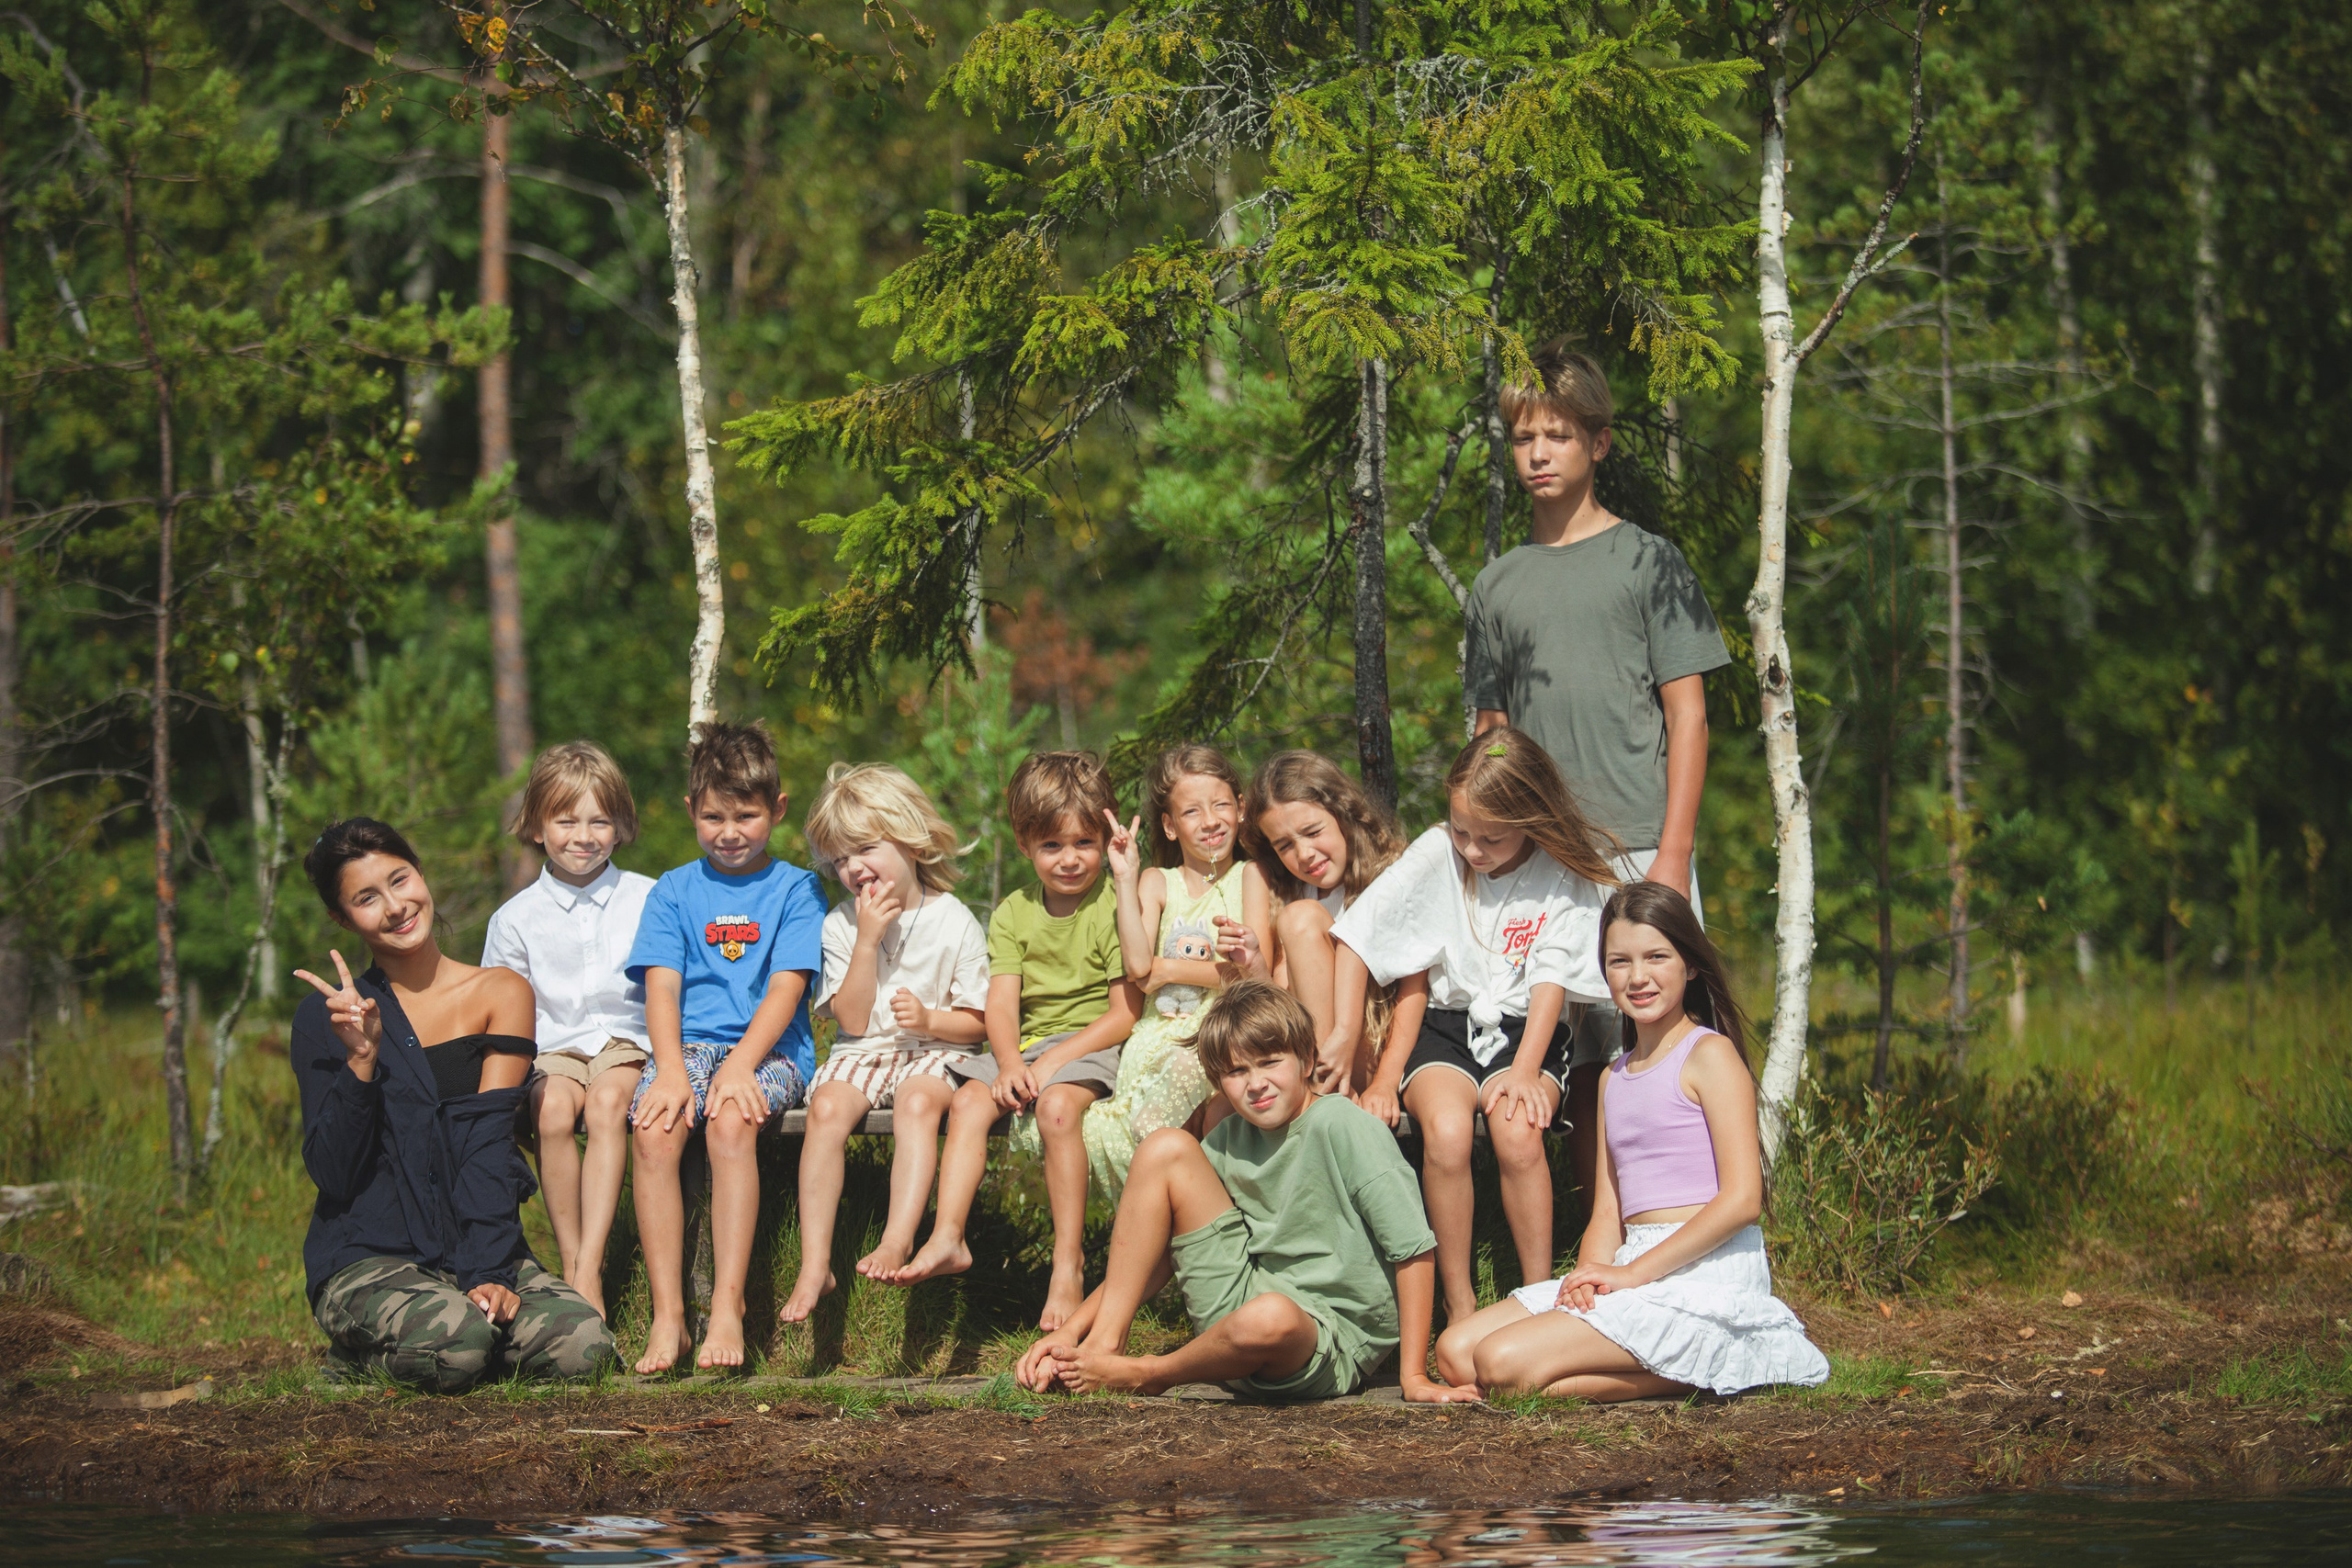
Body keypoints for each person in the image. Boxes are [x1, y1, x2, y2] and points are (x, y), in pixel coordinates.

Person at [1462, 341, 1732, 1193]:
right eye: (1523, 438)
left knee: (1653, 1043)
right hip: (1541, 860)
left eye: (1560, 436)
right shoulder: (1497, 585)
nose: (1539, 454)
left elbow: (1688, 715)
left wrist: (1674, 857)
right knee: (1567, 1053)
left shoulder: (1649, 561)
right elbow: (1491, 736)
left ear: (1599, 444)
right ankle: (1584, 1236)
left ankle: (1684, 1216)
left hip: (1642, 846)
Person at [1434, 883, 1829, 1400]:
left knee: (1499, 1365)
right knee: (1456, 1352)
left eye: (1657, 957)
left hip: (1702, 1273)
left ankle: (1725, 1357)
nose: (1638, 977)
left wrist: (1635, 1275)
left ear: (1690, 965)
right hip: (1631, 1264)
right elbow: (1608, 1212)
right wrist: (1587, 1282)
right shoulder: (1611, 1078)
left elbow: (1742, 1201)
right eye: (1619, 961)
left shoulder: (1709, 1055)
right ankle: (1671, 1366)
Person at [1015, 980, 1476, 1404]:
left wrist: (1413, 1375)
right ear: (1219, 1083)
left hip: (1324, 1339)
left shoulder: (1345, 1126)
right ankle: (1101, 1347)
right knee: (1165, 1147)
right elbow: (1155, 1252)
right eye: (1236, 1072)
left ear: (1307, 1061)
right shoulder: (1230, 1137)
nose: (1256, 1084)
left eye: (1270, 1063)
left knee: (1270, 1316)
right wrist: (1069, 1331)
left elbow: (1413, 1250)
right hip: (1238, 1308)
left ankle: (1150, 1373)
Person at [291, 818, 616, 1392]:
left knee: (583, 1347)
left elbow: (489, 1143)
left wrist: (490, 1270)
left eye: (400, 879)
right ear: (343, 919)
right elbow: (332, 1173)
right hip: (367, 1258)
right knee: (459, 1343)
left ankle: (463, 1332)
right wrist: (361, 1064)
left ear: (420, 873)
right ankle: (359, 1357)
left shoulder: (500, 993)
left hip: (477, 1245)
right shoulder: (327, 1019)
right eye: (367, 898)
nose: (395, 906)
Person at [1333, 728, 1616, 1327]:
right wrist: (1342, 1037)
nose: (1473, 848)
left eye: (1492, 837)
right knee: (1446, 1129)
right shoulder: (1440, 851)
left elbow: (1551, 979)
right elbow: (1358, 935)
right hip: (1445, 1027)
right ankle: (1459, 1300)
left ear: (1533, 819)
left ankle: (1538, 1296)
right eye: (1462, 830)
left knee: (1517, 1131)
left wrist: (1524, 1069)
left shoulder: (1562, 872)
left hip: (1527, 1031)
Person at [887, 750, 1142, 1330]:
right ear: (1026, 846)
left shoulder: (1112, 905)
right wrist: (1005, 1063)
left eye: (1084, 843)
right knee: (971, 1100)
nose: (1070, 860)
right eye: (1052, 846)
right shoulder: (1013, 912)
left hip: (1093, 1043)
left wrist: (1054, 1059)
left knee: (1055, 1109)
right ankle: (949, 1235)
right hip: (1027, 1045)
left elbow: (1125, 1012)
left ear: (1106, 840)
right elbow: (1000, 1004)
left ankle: (1067, 1263)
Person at [625, 720, 825, 1373]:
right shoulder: (674, 889)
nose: (729, 830)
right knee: (653, 1129)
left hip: (770, 1050)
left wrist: (738, 1066)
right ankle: (669, 1316)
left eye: (746, 814)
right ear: (690, 811)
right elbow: (662, 990)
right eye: (713, 815)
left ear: (778, 809)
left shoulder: (796, 889)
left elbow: (786, 989)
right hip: (689, 1044)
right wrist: (673, 1073)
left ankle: (730, 1306)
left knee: (732, 1120)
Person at [785, 762, 990, 1321]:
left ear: (911, 839)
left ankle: (899, 1238)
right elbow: (850, 1020)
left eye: (865, 849)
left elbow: (978, 1022)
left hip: (935, 1050)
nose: (853, 868)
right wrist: (867, 941)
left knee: (918, 1101)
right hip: (864, 1050)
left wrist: (928, 1018)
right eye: (839, 859)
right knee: (826, 1109)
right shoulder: (842, 924)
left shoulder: (955, 921)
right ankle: (815, 1264)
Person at [480, 741, 653, 1321]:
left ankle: (587, 1271)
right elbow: (503, 1013)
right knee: (552, 1109)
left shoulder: (649, 898)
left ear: (620, 825)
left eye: (599, 820)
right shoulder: (514, 919)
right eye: (566, 820)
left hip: (629, 1040)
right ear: (536, 827)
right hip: (553, 1048)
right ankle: (575, 1259)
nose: (584, 836)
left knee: (606, 1105)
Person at [1082, 744, 1270, 1201]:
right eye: (1191, 812)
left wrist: (1170, 967)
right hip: (1159, 1038)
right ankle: (1177, 1224)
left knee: (1183, 1124)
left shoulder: (1251, 876)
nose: (1210, 821)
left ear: (1241, 809)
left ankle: (1197, 1219)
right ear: (1169, 825)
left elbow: (1253, 979)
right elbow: (1139, 968)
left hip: (1224, 1033)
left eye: (1222, 804)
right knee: (1148, 1127)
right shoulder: (1156, 882)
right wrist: (1125, 879)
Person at [1237, 750, 1412, 1093]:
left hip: (1380, 1052)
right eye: (1285, 845)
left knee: (1301, 919)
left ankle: (1328, 1097)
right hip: (1310, 1057)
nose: (1304, 854)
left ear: (1344, 815)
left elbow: (1414, 990)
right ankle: (1323, 1095)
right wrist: (1257, 968)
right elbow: (1289, 1010)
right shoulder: (1291, 894)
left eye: (1313, 831)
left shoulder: (1392, 876)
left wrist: (1388, 1080)